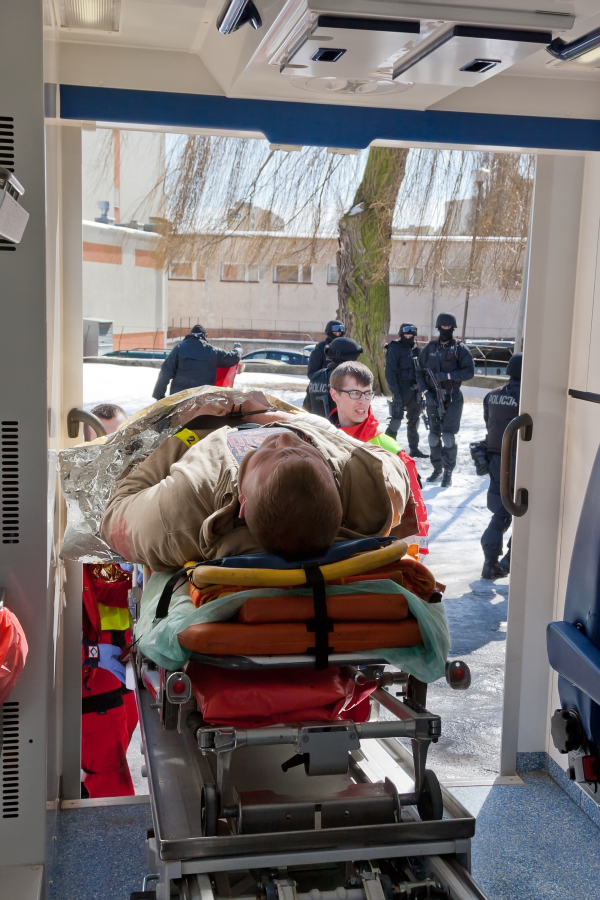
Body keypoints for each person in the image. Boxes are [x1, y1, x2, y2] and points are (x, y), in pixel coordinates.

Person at [100, 389, 417, 569]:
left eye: (267, 455)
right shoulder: (369, 485)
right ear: (336, 490)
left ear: (242, 503)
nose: (282, 439)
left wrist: (191, 431)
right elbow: (381, 460)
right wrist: (278, 418)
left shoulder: (188, 502)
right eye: (306, 450)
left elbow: (115, 516)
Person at [81, 404, 138, 798]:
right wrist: (91, 655)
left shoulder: (131, 503)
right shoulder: (80, 518)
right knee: (109, 783)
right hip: (95, 680)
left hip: (123, 671)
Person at [329, 360, 429, 558]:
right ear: (335, 395)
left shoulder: (390, 451)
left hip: (379, 556)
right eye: (355, 393)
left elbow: (415, 514)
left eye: (367, 393)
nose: (363, 401)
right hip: (332, 554)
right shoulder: (321, 440)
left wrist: (414, 558)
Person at [417, 313, 475, 488]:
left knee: (448, 436)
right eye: (444, 327)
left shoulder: (459, 349)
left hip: (452, 397)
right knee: (433, 436)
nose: (446, 329)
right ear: (438, 327)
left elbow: (469, 372)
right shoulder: (429, 348)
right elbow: (419, 372)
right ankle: (437, 469)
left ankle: (448, 472)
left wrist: (448, 376)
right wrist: (426, 393)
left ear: (453, 328)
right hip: (433, 397)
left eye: (449, 327)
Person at [481, 352, 522, 580]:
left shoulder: (492, 395)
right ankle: (508, 562)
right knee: (526, 513)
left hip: (497, 459)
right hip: (521, 459)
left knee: (500, 512)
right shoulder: (527, 397)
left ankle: (490, 563)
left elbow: (488, 423)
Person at [152, 325, 242, 400]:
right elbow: (233, 358)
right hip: (203, 400)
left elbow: (165, 372)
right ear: (205, 335)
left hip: (179, 398)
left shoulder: (179, 348)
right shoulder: (212, 351)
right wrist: (237, 348)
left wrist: (159, 396)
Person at [384, 323, 428, 458]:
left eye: (411, 335)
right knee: (396, 420)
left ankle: (414, 449)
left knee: (414, 420)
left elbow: (424, 371)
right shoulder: (394, 348)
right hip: (400, 389)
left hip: (416, 391)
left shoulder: (418, 350)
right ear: (401, 335)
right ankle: (387, 448)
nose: (408, 337)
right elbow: (390, 372)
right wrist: (395, 392)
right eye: (406, 334)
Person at [304, 337, 363, 418]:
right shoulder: (352, 379)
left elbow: (306, 409)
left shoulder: (317, 377)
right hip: (343, 426)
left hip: (315, 425)